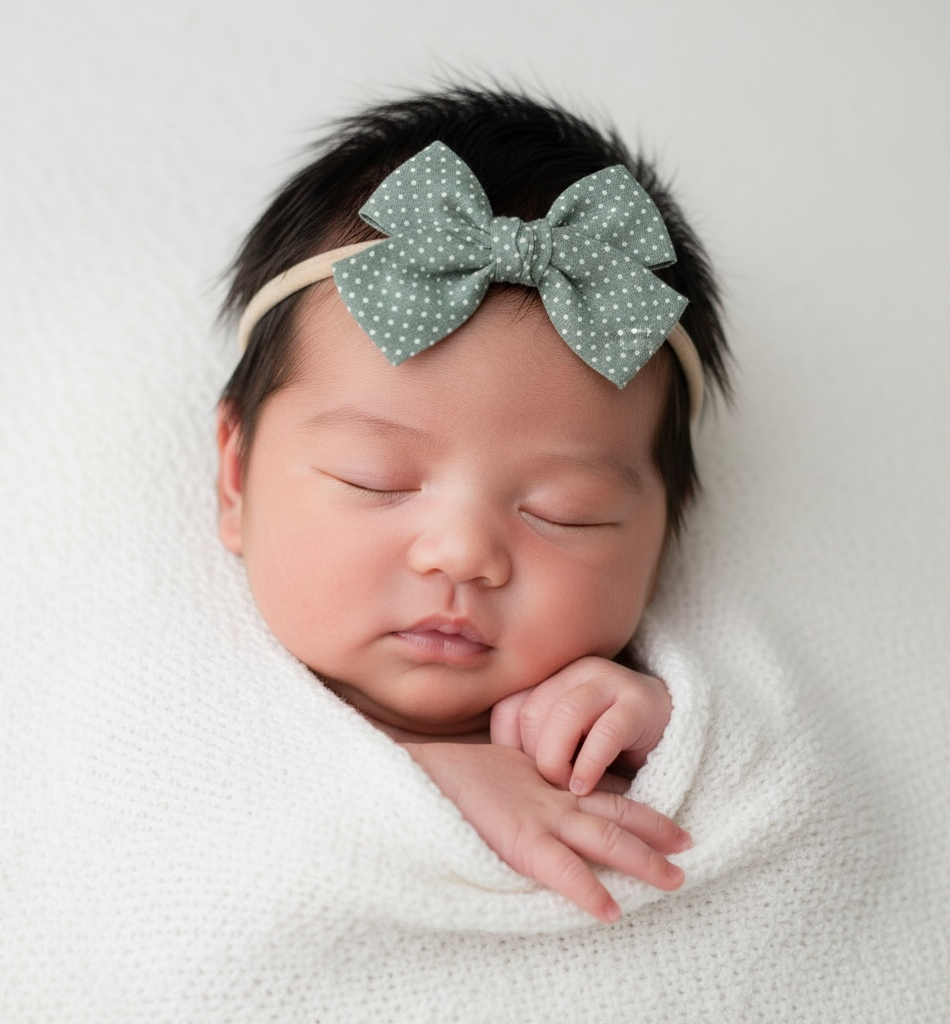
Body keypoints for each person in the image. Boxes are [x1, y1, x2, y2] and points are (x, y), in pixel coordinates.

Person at [214, 87, 731, 923]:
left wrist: (675, 734)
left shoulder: (643, 717)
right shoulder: (181, 681)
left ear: (664, 541)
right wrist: (432, 777)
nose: (460, 553)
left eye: (567, 511)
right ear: (235, 475)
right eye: (374, 478)